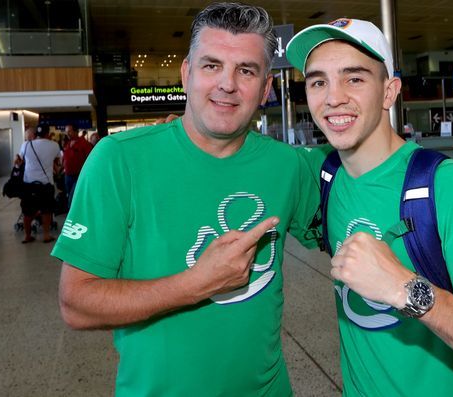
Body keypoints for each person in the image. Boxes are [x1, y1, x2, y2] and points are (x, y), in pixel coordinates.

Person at [52, 3, 320, 396]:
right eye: (211, 65)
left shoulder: (289, 166)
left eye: (245, 70)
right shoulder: (118, 159)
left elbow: (356, 219)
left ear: (265, 88)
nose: (227, 84)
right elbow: (75, 303)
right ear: (186, 73)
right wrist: (196, 283)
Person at [286, 18, 453, 396]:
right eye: (318, 81)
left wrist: (406, 290)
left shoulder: (450, 186)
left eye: (354, 78)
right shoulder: (325, 176)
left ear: (389, 92)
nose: (333, 97)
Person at [18, 124, 61, 243]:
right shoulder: (54, 145)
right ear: (48, 134)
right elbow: (57, 162)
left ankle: (27, 236)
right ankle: (46, 235)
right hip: (46, 184)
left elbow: (19, 161)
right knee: (46, 210)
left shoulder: (26, 144)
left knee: (27, 211)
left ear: (36, 133)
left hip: (29, 184)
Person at [62, 123, 92, 207]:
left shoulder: (84, 143)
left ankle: (72, 216)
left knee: (72, 198)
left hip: (78, 175)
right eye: (66, 132)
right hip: (68, 175)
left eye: (69, 131)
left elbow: (89, 159)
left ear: (76, 131)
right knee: (70, 196)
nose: (67, 133)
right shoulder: (67, 143)